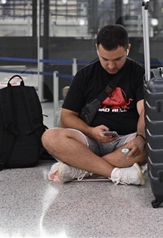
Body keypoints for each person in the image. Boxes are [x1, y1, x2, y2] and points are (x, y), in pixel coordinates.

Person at [41, 24, 146, 185]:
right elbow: (67, 116)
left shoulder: (139, 73)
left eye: (118, 59)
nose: (111, 66)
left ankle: (82, 168)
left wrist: (140, 137)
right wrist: (90, 130)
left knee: (147, 147)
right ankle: (115, 173)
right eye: (105, 59)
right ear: (97, 49)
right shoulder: (85, 75)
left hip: (125, 141)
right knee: (50, 137)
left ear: (128, 49)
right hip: (90, 141)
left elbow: (145, 111)